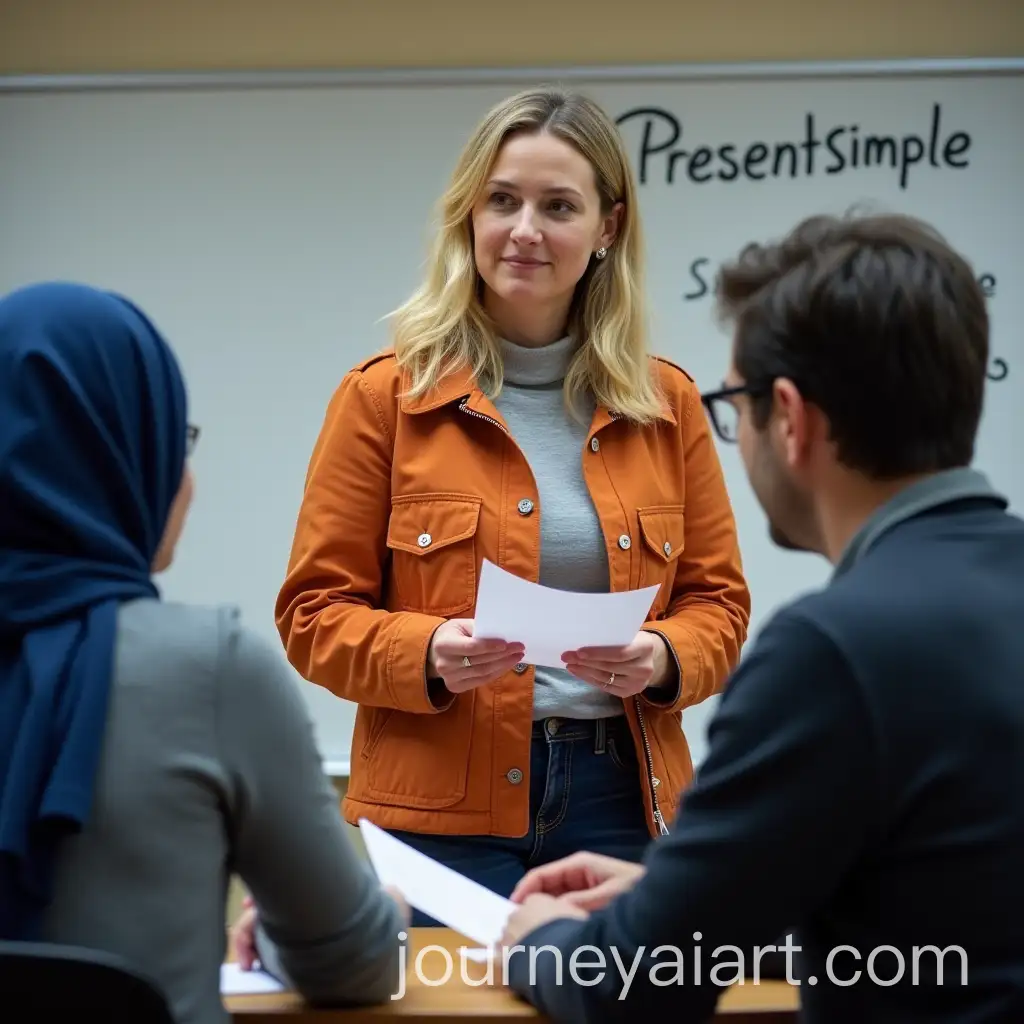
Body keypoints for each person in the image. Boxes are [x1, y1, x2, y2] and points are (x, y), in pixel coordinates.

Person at [496, 211, 1024, 1022]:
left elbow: (631, 985)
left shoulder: (831, 653)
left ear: (790, 417)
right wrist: (690, 894)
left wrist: (538, 940)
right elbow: (944, 918)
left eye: (734, 404)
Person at [275, 86, 750, 917]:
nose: (524, 229)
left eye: (557, 206)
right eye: (502, 200)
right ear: (470, 215)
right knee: (448, 992)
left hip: (621, 800)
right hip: (438, 812)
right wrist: (426, 650)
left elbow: (720, 609)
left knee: (619, 991)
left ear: (607, 228)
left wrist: (663, 655)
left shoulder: (667, 405)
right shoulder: (384, 399)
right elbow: (311, 616)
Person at [0, 282, 407, 1024]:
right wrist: (375, 914)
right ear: (127, 457)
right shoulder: (207, 670)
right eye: (173, 440)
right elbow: (355, 965)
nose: (186, 480)